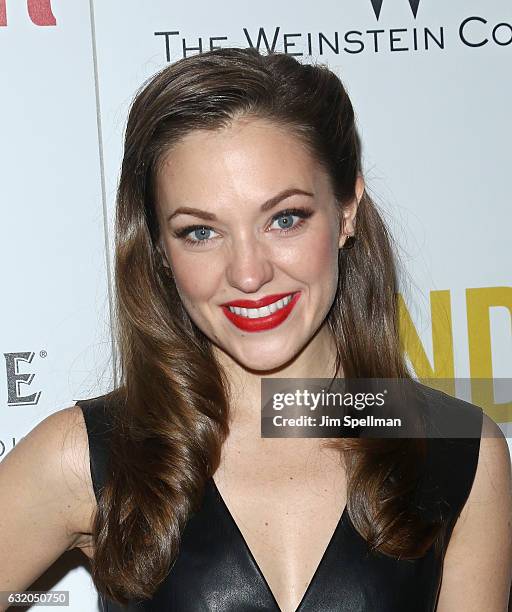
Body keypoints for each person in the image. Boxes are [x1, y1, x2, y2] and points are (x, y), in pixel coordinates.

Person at [0, 46, 511, 612]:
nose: (249, 273)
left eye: (284, 219)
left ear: (346, 211)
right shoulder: (91, 454)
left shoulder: (458, 449)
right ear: (160, 251)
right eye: (200, 232)